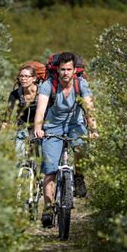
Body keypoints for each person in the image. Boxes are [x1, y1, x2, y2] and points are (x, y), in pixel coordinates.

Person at [33, 52, 98, 227]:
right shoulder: (48, 85)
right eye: (62, 69)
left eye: (69, 69)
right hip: (52, 127)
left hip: (75, 125)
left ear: (74, 70)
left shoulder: (81, 84)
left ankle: (78, 177)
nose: (65, 73)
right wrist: (38, 128)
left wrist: (93, 129)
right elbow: (40, 109)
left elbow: (89, 108)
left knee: (81, 148)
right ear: (58, 70)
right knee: (50, 169)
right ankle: (47, 209)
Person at [1, 65, 40, 160]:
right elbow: (8, 115)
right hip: (22, 126)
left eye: (26, 76)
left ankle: (39, 173)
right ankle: (19, 173)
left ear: (34, 78)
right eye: (21, 76)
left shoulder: (42, 92)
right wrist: (2, 133)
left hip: (39, 125)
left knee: (39, 154)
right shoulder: (14, 94)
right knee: (18, 153)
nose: (23, 79)